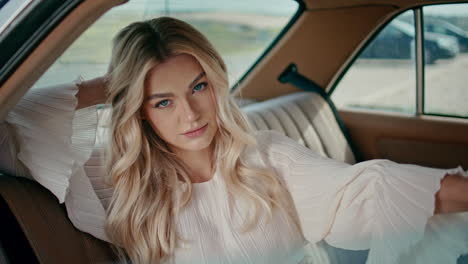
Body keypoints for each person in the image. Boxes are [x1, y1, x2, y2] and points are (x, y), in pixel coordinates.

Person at [1, 16, 468, 264]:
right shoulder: (114, 178)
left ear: (217, 83)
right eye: (161, 101)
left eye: (198, 87)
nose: (190, 114)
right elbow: (13, 118)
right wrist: (117, 82)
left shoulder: (266, 156)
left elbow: (375, 187)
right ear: (137, 109)